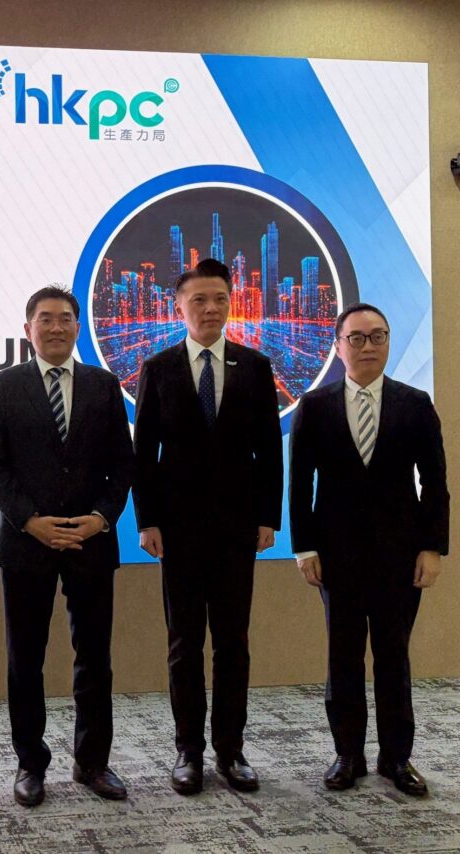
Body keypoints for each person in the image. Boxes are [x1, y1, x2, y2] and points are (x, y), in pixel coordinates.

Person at [133, 258, 282, 795]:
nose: (210, 308)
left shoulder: (255, 366)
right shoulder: (158, 368)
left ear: (230, 303)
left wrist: (268, 517)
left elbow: (270, 450)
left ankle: (231, 750)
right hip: (178, 530)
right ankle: (188, 751)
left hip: (238, 529)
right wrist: (147, 521)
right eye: (199, 300)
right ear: (179, 308)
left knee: (233, 643)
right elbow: (143, 454)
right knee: (184, 644)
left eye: (220, 298)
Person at [0, 285, 134, 807]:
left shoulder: (104, 384)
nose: (55, 327)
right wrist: (30, 521)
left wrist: (101, 518)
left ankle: (93, 762)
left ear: (77, 327)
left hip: (91, 542)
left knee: (94, 657)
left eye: (65, 318)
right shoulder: (5, 385)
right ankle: (31, 763)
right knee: (25, 659)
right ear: (28, 329)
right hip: (27, 543)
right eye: (45, 319)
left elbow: (123, 462)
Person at [289, 303, 448, 795]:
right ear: (338, 346)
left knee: (393, 657)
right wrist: (304, 548)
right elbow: (300, 485)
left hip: (400, 555)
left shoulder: (415, 403)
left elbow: (435, 482)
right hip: (335, 556)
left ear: (388, 342)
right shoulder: (314, 406)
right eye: (356, 338)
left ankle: (397, 759)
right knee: (343, 658)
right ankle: (348, 755)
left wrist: (433, 548)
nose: (367, 346)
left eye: (377, 336)